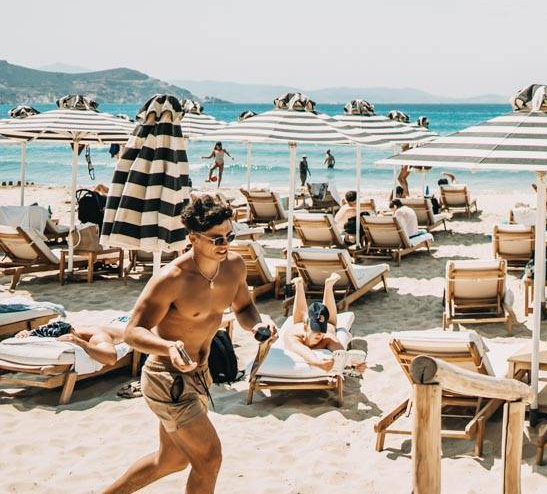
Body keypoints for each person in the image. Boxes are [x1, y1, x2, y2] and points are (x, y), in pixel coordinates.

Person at [102, 194, 276, 494]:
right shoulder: (172, 278)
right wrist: (167, 347)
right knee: (209, 458)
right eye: (216, 239)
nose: (225, 244)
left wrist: (256, 325)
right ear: (192, 238)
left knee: (170, 461)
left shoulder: (234, 267)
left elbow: (244, 307)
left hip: (201, 374)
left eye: (230, 236)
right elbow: (133, 332)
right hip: (167, 378)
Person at [279, 273, 365, 373]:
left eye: (321, 329)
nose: (319, 334)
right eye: (315, 329)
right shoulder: (293, 336)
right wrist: (317, 363)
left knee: (331, 323)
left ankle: (328, 286)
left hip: (326, 326)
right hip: (301, 325)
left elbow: (342, 354)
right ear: (305, 327)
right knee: (298, 320)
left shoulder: (327, 337)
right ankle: (299, 285)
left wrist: (354, 366)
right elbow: (303, 351)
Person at [15, 320, 127, 367]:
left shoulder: (98, 336)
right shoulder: (65, 328)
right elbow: (42, 330)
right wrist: (27, 333)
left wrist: (78, 342)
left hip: (128, 331)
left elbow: (111, 358)